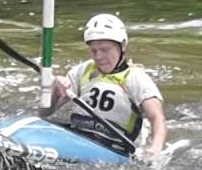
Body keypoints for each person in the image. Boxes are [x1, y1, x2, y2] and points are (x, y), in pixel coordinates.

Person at [40, 13, 167, 160]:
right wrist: (56, 90)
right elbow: (45, 112)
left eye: (105, 50)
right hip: (77, 138)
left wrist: (155, 149)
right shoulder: (82, 71)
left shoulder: (136, 78)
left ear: (123, 46)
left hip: (113, 149)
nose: (98, 57)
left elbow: (157, 118)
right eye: (93, 50)